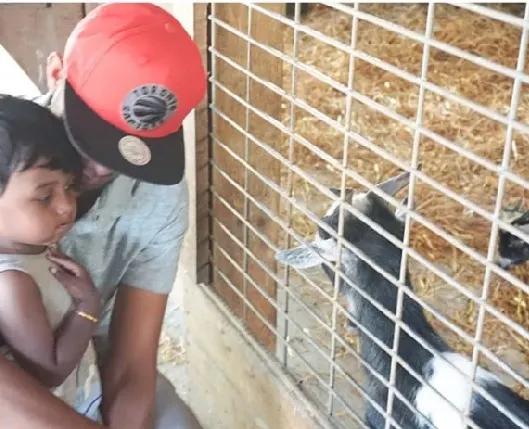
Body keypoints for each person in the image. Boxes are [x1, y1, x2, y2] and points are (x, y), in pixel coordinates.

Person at [0, 3, 207, 429]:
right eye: (91, 133)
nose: (99, 169)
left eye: (131, 151)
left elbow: (132, 359)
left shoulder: (158, 196)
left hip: (82, 365)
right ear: (55, 73)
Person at [0, 95, 101, 413]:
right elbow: (50, 371)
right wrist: (87, 306)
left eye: (70, 187)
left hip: (82, 397)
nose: (67, 206)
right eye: (44, 197)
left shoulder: (34, 247)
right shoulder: (12, 283)